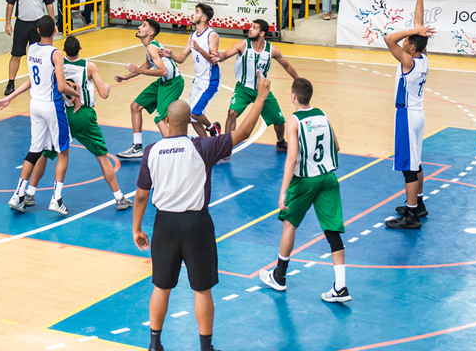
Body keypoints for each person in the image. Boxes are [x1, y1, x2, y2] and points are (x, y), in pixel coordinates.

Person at [132, 79, 271, 351]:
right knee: (202, 290)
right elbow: (242, 132)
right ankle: (205, 348)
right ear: (187, 123)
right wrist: (261, 98)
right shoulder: (202, 147)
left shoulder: (151, 152)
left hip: (165, 224)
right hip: (196, 224)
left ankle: (154, 344)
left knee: (161, 286)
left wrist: (136, 227)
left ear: (167, 122)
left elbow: (140, 195)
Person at [258, 77, 351, 303]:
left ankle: (279, 276)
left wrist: (282, 191)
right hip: (328, 177)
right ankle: (340, 287)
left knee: (290, 224)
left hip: (305, 180)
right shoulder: (322, 114)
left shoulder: (293, 120)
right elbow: (336, 147)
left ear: (293, 96)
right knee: (332, 230)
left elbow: (291, 159)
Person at [21, 36, 134, 211]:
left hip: (61, 114)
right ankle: (119, 197)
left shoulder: (56, 62)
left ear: (63, 51)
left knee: (45, 153)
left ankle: (30, 193)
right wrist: (107, 87)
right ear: (80, 48)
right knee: (102, 155)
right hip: (83, 115)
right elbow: (104, 94)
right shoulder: (89, 67)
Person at [0, 15, 80, 216]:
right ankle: (56, 199)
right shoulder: (56, 54)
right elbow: (61, 86)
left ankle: (18, 194)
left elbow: (31, 80)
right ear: (55, 30)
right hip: (52, 106)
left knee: (34, 150)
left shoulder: (31, 48)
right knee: (63, 152)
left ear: (38, 31)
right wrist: (77, 95)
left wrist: (10, 98)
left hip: (35, 105)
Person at [384, 0, 433, 230]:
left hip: (406, 115)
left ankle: (412, 215)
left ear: (411, 47)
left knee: (408, 167)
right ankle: (419, 204)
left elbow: (388, 38)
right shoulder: (422, 56)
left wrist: (412, 30)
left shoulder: (408, 61)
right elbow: (419, 26)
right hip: (418, 113)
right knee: (417, 161)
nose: (403, 44)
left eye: (407, 43)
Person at [214, 19, 298, 153]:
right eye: (250, 27)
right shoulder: (243, 45)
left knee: (279, 120)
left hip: (262, 90)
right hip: (243, 88)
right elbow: (225, 55)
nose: (250, 29)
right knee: (232, 113)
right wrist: (220, 57)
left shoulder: (272, 50)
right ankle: (225, 146)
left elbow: (286, 65)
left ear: (262, 33)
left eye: (254, 28)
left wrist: (298, 80)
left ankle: (280, 142)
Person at [117, 19, 186, 159]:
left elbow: (163, 71)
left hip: (173, 83)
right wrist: (127, 76)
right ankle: (137, 147)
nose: (139, 27)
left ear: (150, 32)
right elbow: (147, 65)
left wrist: (139, 71)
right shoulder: (149, 46)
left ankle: (174, 154)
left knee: (159, 118)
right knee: (135, 106)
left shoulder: (151, 47)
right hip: (164, 82)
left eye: (143, 26)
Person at [159, 4, 222, 139]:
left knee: (194, 112)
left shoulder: (212, 35)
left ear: (204, 18)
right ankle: (207, 145)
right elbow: (181, 58)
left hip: (210, 80)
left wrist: (199, 49)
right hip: (197, 80)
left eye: (197, 12)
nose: (193, 14)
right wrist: (170, 55)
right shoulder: (192, 36)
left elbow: (214, 60)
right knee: (192, 118)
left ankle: (212, 127)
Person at [4, 0, 55, 95]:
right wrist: (8, 23)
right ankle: (10, 83)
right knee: (16, 55)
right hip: (21, 24)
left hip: (39, 25)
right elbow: (10, 4)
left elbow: (49, 5)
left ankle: (40, 83)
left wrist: (52, 24)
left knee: (39, 55)